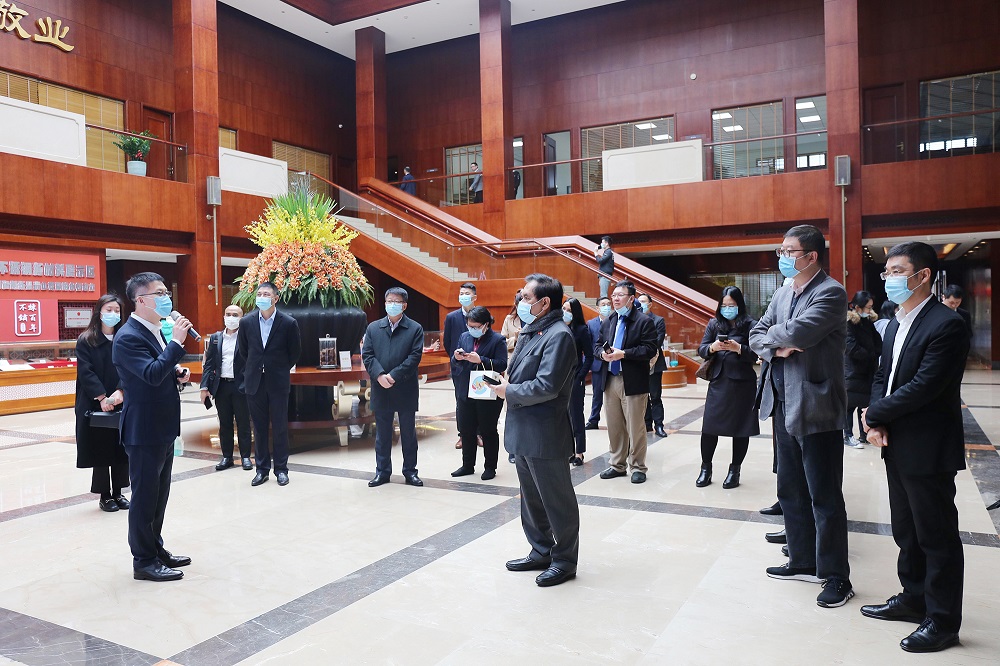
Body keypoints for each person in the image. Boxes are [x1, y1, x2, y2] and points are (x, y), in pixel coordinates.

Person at [861, 241, 969, 654]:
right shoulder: (896, 322)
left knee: (936, 535)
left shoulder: (946, 324)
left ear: (922, 276)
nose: (888, 279)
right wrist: (875, 417)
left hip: (928, 445)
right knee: (906, 529)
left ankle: (942, 621)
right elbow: (882, 375)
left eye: (897, 271)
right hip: (896, 441)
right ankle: (913, 598)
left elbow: (926, 386)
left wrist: (873, 414)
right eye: (886, 272)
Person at [749, 224, 854, 608]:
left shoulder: (831, 292)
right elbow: (756, 334)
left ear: (811, 256)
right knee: (790, 488)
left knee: (824, 495)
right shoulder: (782, 292)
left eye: (789, 251)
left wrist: (777, 338)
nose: (783, 257)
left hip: (816, 406)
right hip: (781, 403)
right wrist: (775, 347)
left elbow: (800, 333)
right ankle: (802, 560)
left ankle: (836, 576)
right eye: (781, 250)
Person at [493, 273, 580, 587]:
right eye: (521, 296)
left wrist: (508, 391)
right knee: (531, 499)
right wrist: (504, 382)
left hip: (545, 432)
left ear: (544, 303)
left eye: (526, 298)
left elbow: (547, 385)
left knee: (557, 501)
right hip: (523, 430)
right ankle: (541, 551)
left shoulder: (559, 336)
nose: (520, 301)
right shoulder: (532, 331)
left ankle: (565, 560)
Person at [112, 272, 193, 582]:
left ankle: (155, 548)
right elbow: (150, 374)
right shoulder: (128, 336)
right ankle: (143, 561)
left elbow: (160, 370)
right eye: (159, 293)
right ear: (141, 300)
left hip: (162, 427)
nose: (166, 298)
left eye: (166, 292)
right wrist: (176, 344)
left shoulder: (154, 330)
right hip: (144, 430)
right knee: (145, 498)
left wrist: (177, 372)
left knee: (159, 496)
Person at [237, 282, 302, 488]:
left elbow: (294, 353)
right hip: (255, 382)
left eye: (266, 294)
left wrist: (278, 368)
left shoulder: (288, 323)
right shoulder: (246, 322)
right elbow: (244, 351)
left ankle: (281, 469)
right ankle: (262, 469)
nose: (262, 297)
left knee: (280, 427)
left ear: (276, 298)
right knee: (259, 427)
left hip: (278, 381)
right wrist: (257, 367)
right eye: (259, 294)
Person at [695, 286, 759, 489]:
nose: (727, 309)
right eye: (724, 305)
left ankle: (734, 470)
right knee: (709, 428)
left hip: (743, 384)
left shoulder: (751, 324)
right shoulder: (714, 323)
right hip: (719, 382)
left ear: (739, 305)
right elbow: (701, 349)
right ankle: (706, 468)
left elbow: (757, 353)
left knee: (741, 428)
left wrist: (739, 348)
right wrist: (712, 347)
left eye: (731, 305)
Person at [595, 280, 657, 484]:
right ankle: (617, 465)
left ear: (631, 299)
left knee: (635, 426)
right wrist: (602, 354)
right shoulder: (609, 321)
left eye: (620, 295)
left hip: (633, 380)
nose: (615, 299)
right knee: (615, 426)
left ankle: (638, 466)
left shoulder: (643, 321)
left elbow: (649, 349)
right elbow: (597, 345)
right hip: (610, 379)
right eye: (613, 295)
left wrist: (624, 354)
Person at [362, 287, 425, 488]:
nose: (392, 304)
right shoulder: (373, 328)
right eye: (389, 301)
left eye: (396, 302)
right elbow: (367, 355)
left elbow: (414, 357)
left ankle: (410, 472)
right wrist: (380, 375)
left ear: (404, 306)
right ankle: (382, 472)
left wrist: (393, 375)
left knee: (408, 433)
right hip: (381, 387)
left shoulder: (415, 328)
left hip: (405, 387)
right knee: (382, 434)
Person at [75, 293, 128, 513]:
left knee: (120, 447)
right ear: (99, 312)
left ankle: (119, 492)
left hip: (121, 399)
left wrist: (120, 391)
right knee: (100, 449)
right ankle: (105, 495)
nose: (113, 314)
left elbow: (129, 367)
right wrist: (102, 398)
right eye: (109, 309)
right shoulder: (87, 339)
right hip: (94, 402)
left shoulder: (124, 338)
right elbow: (86, 372)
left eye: (117, 310)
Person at [450, 306, 508, 480]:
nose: (472, 329)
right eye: (470, 326)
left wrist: (481, 360)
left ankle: (490, 467)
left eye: (476, 326)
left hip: (487, 391)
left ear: (486, 324)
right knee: (466, 430)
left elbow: (502, 364)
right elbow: (455, 361)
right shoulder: (464, 336)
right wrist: (456, 357)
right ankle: (467, 465)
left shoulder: (497, 339)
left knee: (488, 430)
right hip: (466, 389)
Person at [200, 305, 253, 471]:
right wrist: (204, 387)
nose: (231, 317)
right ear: (223, 316)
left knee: (243, 423)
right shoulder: (216, 338)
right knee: (225, 424)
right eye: (228, 314)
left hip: (241, 386)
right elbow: (209, 365)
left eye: (235, 315)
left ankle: (245, 457)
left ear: (241, 318)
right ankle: (227, 457)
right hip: (221, 386)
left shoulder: (247, 337)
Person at [844, 291, 880, 449]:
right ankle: (848, 435)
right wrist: (870, 354)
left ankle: (864, 434)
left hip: (867, 370)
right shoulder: (848, 323)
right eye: (868, 307)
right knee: (849, 405)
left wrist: (875, 353)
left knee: (864, 404)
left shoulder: (867, 322)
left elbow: (877, 341)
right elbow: (851, 347)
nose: (870, 310)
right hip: (853, 371)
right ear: (857, 307)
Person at [444, 282, 479, 449]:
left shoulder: (481, 314)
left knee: (478, 400)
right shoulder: (452, 317)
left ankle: (478, 433)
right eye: (461, 293)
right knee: (461, 400)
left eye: (467, 293)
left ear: (474, 297)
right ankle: (463, 435)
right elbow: (447, 342)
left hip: (478, 365)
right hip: (459, 367)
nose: (463, 296)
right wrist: (456, 359)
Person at [562, 297, 593, 466]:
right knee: (564, 416)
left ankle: (579, 452)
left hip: (575, 377)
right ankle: (569, 450)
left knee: (576, 414)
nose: (565, 312)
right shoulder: (559, 327)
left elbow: (589, 356)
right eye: (563, 309)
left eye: (568, 310)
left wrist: (581, 376)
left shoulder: (581, 330)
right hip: (560, 378)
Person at [637, 293, 668, 438]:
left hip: (654, 362)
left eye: (644, 301)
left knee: (655, 396)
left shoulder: (658, 320)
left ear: (650, 304)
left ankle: (659, 425)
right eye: (639, 301)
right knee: (643, 395)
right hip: (639, 363)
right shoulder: (635, 320)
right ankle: (647, 423)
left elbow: (657, 342)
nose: (641, 304)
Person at [585, 296, 612, 430]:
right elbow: (588, 345)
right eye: (603, 304)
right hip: (598, 363)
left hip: (613, 362)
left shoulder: (615, 321)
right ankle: (593, 419)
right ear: (597, 308)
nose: (607, 307)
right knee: (597, 394)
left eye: (608, 304)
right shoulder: (591, 324)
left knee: (614, 394)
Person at [500, 290, 523, 360]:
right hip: (512, 358)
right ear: (516, 305)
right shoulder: (509, 319)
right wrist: (515, 339)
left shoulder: (536, 319)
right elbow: (502, 343)